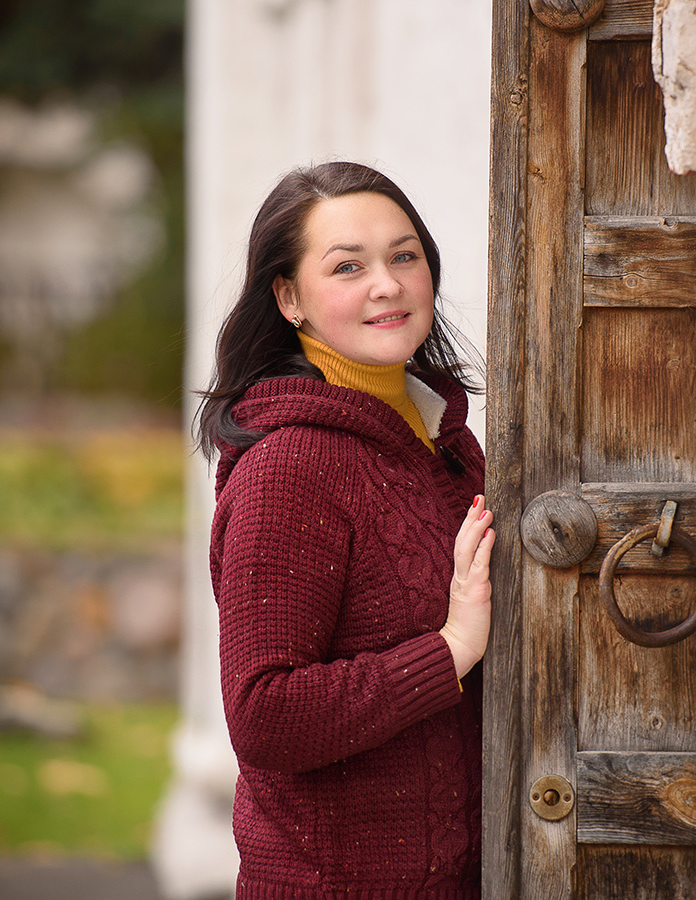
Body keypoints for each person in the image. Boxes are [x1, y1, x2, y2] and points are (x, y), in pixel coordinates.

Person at [197, 161, 496, 899]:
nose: (387, 284)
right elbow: (264, 714)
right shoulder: (290, 467)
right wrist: (450, 650)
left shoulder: (445, 444)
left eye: (404, 256)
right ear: (289, 297)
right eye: (347, 267)